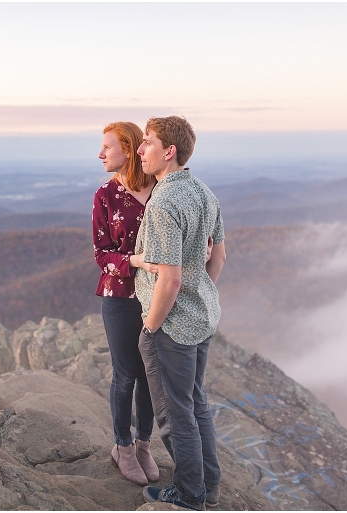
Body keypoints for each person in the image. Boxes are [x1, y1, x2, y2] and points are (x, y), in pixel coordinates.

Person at [134, 116, 226, 511]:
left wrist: (151, 326)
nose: (140, 150)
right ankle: (209, 484)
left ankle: (189, 494)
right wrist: (199, 292)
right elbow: (218, 256)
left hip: (171, 326)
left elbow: (168, 279)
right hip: (202, 317)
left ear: (169, 152)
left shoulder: (164, 202)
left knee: (175, 413)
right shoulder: (204, 193)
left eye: (148, 142)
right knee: (195, 402)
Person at [92, 121, 160, 486]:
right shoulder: (105, 194)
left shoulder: (161, 191)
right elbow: (101, 255)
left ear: (130, 149)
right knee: (126, 375)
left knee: (152, 373)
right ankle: (122, 447)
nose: (100, 154)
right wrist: (135, 261)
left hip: (159, 296)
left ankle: (144, 445)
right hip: (119, 297)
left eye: (107, 147)